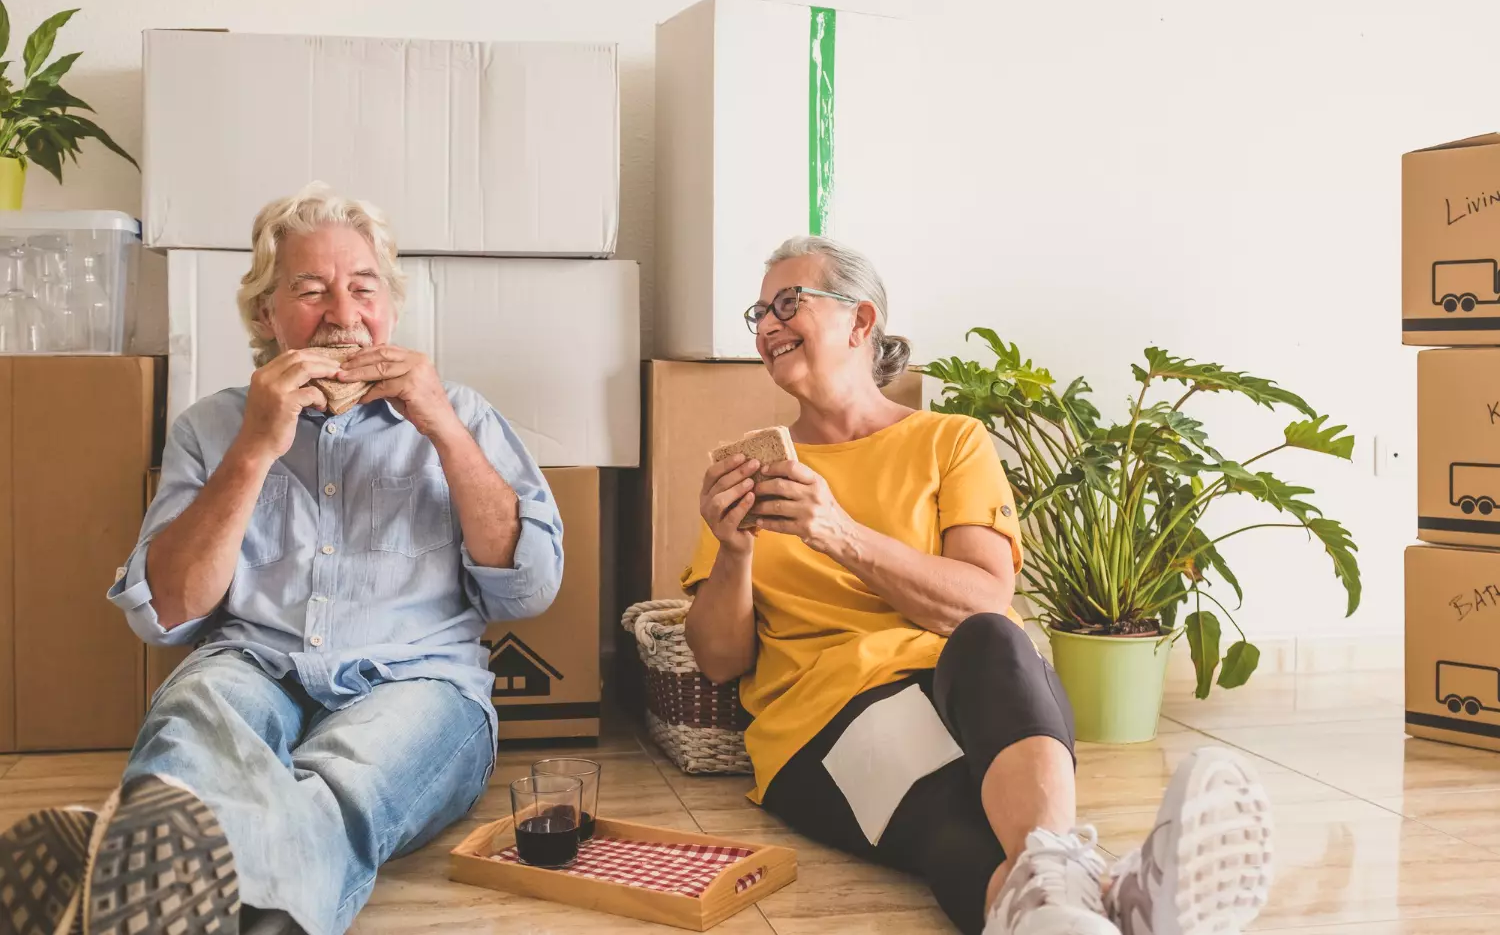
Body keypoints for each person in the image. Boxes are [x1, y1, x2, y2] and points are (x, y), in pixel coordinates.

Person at [0, 183, 564, 935]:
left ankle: (122, 900)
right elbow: (167, 613)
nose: (342, 314)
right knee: (194, 720)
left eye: (363, 288)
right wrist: (258, 445)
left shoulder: (460, 412)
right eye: (310, 291)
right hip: (253, 666)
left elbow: (529, 587)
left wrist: (442, 428)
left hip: (421, 683)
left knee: (342, 783)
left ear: (389, 307)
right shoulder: (214, 426)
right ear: (264, 315)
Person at [683, 235, 1274, 935]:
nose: (769, 326)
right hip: (827, 715)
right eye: (760, 313)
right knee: (953, 820)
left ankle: (1058, 907)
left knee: (993, 637)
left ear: (861, 321)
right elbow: (719, 660)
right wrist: (733, 551)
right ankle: (1107, 896)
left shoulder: (949, 441)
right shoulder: (752, 480)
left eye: (789, 303)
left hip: (980, 690)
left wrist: (835, 530)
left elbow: (983, 599)